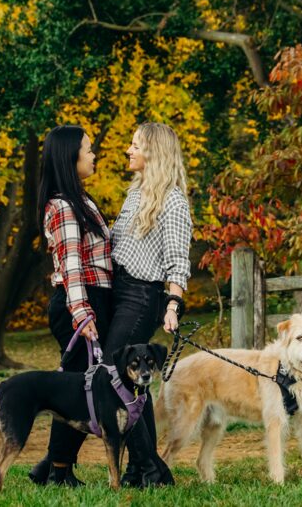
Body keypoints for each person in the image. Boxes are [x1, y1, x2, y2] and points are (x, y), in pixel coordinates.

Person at [104, 121, 192, 487]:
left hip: (142, 297)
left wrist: (173, 305)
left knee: (116, 375)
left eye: (136, 144)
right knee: (125, 382)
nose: (129, 149)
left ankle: (150, 469)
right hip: (119, 291)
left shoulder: (172, 201)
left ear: (155, 152)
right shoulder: (135, 193)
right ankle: (143, 470)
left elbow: (177, 260)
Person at [29, 125, 113, 487]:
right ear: (70, 156)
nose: (93, 155)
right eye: (88, 149)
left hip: (95, 300)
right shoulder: (62, 206)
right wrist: (83, 315)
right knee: (78, 391)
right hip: (80, 303)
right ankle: (59, 474)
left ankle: (48, 467)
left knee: (85, 388)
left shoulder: (83, 200)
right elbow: (72, 266)